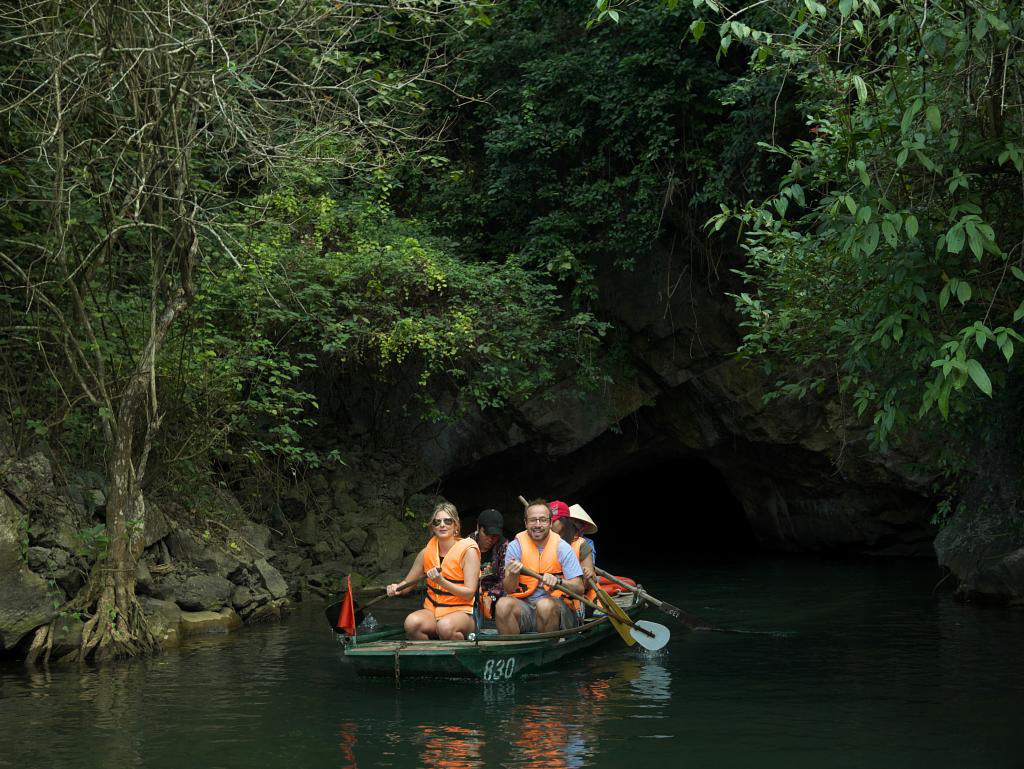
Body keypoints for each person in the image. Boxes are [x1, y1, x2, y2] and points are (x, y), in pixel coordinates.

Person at [386, 502, 480, 640]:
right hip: (433, 611)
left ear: (456, 525)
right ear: (433, 527)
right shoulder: (426, 553)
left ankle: (458, 650)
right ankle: (430, 652)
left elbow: (469, 593)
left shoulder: (469, 551)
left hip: (463, 613)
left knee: (445, 626)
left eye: (447, 521)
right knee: (411, 623)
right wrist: (396, 588)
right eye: (437, 522)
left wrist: (441, 581)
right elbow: (407, 584)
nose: (442, 525)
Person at [496, 500, 584, 634]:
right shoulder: (515, 546)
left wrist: (558, 581)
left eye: (543, 520)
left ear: (550, 523)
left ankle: (548, 645)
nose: (538, 525)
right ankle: (514, 647)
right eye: (533, 520)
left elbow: (579, 588)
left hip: (556, 608)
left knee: (544, 605)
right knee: (502, 605)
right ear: (526, 523)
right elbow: (509, 588)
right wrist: (513, 575)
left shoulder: (562, 547)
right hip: (525, 607)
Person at [468, 508, 508, 622]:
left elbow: (505, 580)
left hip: (496, 596)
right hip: (470, 593)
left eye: (495, 535)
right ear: (478, 528)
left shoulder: (504, 546)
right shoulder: (467, 543)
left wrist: (490, 595)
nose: (490, 539)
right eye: (486, 533)